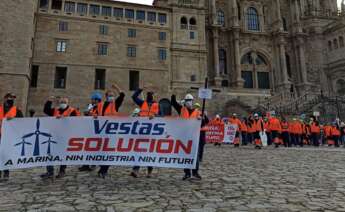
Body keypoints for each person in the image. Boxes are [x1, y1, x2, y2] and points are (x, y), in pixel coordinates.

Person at [171, 93, 208, 180]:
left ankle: (195, 172)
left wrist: (202, 118)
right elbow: (173, 103)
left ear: (192, 101)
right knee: (186, 155)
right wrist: (173, 94)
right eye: (187, 100)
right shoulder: (181, 109)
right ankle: (187, 173)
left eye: (190, 100)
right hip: (185, 136)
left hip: (195, 137)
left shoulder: (198, 111)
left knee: (196, 155)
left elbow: (205, 122)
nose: (189, 102)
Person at [40, 96, 79, 179]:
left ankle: (62, 171)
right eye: (62, 101)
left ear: (68, 103)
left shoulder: (72, 111)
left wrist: (63, 119)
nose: (63, 103)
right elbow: (46, 110)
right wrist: (49, 101)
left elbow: (76, 122)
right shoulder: (55, 110)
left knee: (63, 154)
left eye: (64, 102)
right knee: (50, 154)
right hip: (54, 135)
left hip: (65, 136)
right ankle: (50, 171)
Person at [96, 83, 125, 178]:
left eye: (112, 96)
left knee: (109, 152)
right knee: (101, 152)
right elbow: (94, 114)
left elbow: (122, 95)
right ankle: (102, 168)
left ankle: (104, 170)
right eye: (110, 96)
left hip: (112, 132)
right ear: (106, 97)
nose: (111, 97)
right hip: (101, 132)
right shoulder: (100, 105)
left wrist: (117, 88)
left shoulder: (115, 104)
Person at [130, 87, 159, 178]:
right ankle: (136, 170)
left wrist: (155, 115)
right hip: (141, 132)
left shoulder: (157, 105)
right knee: (138, 151)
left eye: (151, 94)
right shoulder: (143, 103)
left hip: (152, 133)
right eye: (148, 94)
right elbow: (134, 97)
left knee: (150, 152)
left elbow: (162, 115)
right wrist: (140, 89)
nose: (149, 95)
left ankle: (149, 172)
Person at [0, 93, 24, 181]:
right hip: (0, 135)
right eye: (9, 97)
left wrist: (14, 120)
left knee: (6, 155)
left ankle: (6, 173)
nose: (11, 99)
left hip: (9, 137)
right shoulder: (0, 109)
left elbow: (22, 122)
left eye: (13, 98)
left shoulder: (16, 110)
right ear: (5, 98)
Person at [79, 92, 103, 172]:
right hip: (90, 129)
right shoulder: (91, 106)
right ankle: (86, 165)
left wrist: (91, 114)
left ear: (96, 100)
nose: (91, 100)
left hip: (97, 130)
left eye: (92, 99)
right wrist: (87, 113)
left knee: (95, 148)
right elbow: (88, 114)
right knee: (88, 148)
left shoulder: (101, 106)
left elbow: (100, 115)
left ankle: (94, 164)